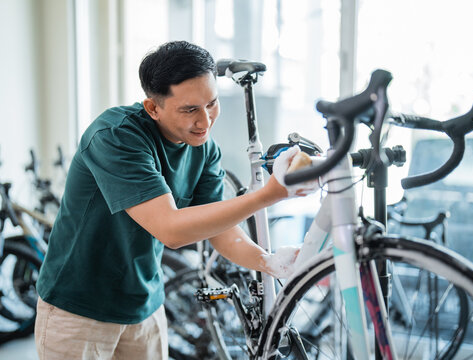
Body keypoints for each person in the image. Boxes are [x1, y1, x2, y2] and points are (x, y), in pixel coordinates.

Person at [34, 40, 314, 359]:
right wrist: (267, 196)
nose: (206, 121)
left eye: (212, 103)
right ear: (153, 108)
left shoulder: (204, 148)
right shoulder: (115, 136)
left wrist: (267, 261)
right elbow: (171, 230)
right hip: (79, 311)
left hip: (145, 306)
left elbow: (217, 226)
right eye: (190, 109)